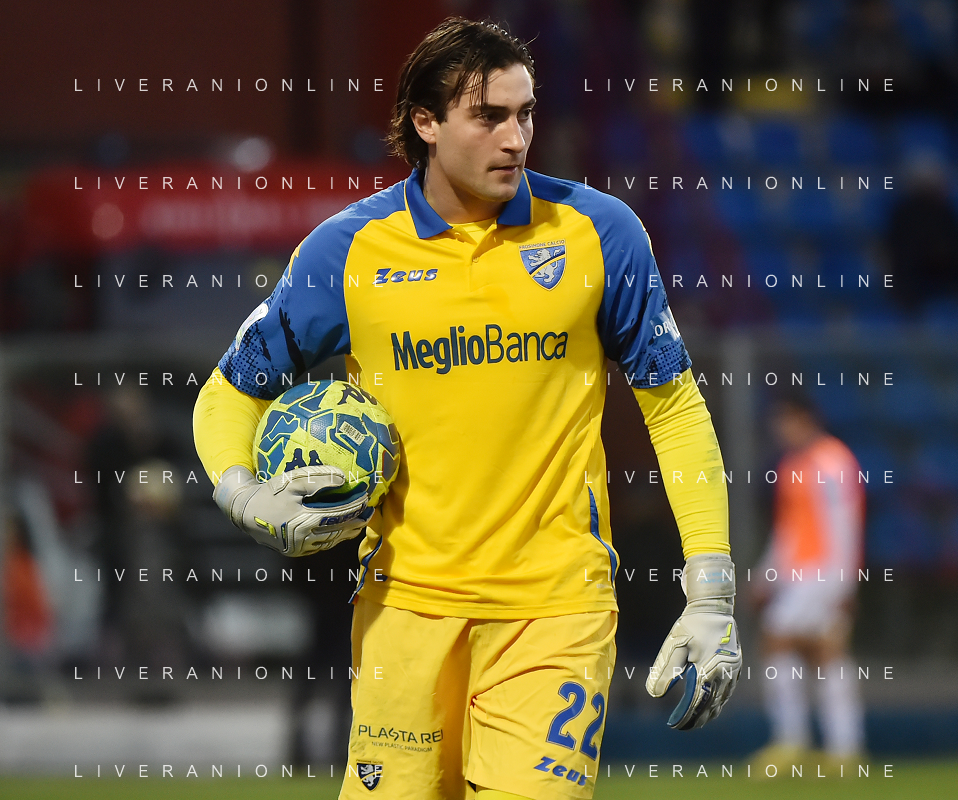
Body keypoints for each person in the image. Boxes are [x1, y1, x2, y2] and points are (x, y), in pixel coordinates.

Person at [193, 18, 741, 800]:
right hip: (403, 610)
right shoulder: (347, 251)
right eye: (488, 117)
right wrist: (243, 495)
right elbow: (231, 390)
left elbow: (676, 409)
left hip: (555, 609)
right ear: (426, 122)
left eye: (524, 114)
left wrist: (711, 592)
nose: (515, 138)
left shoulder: (600, 234)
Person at [750, 393, 866, 772]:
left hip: (824, 571)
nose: (780, 430)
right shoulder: (790, 465)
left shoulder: (833, 461)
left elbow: (846, 522)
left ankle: (795, 741)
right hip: (798, 574)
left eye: (786, 421)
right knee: (824, 651)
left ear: (805, 420)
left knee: (783, 640)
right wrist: (766, 575)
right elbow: (787, 529)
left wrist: (845, 583)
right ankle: (842, 748)